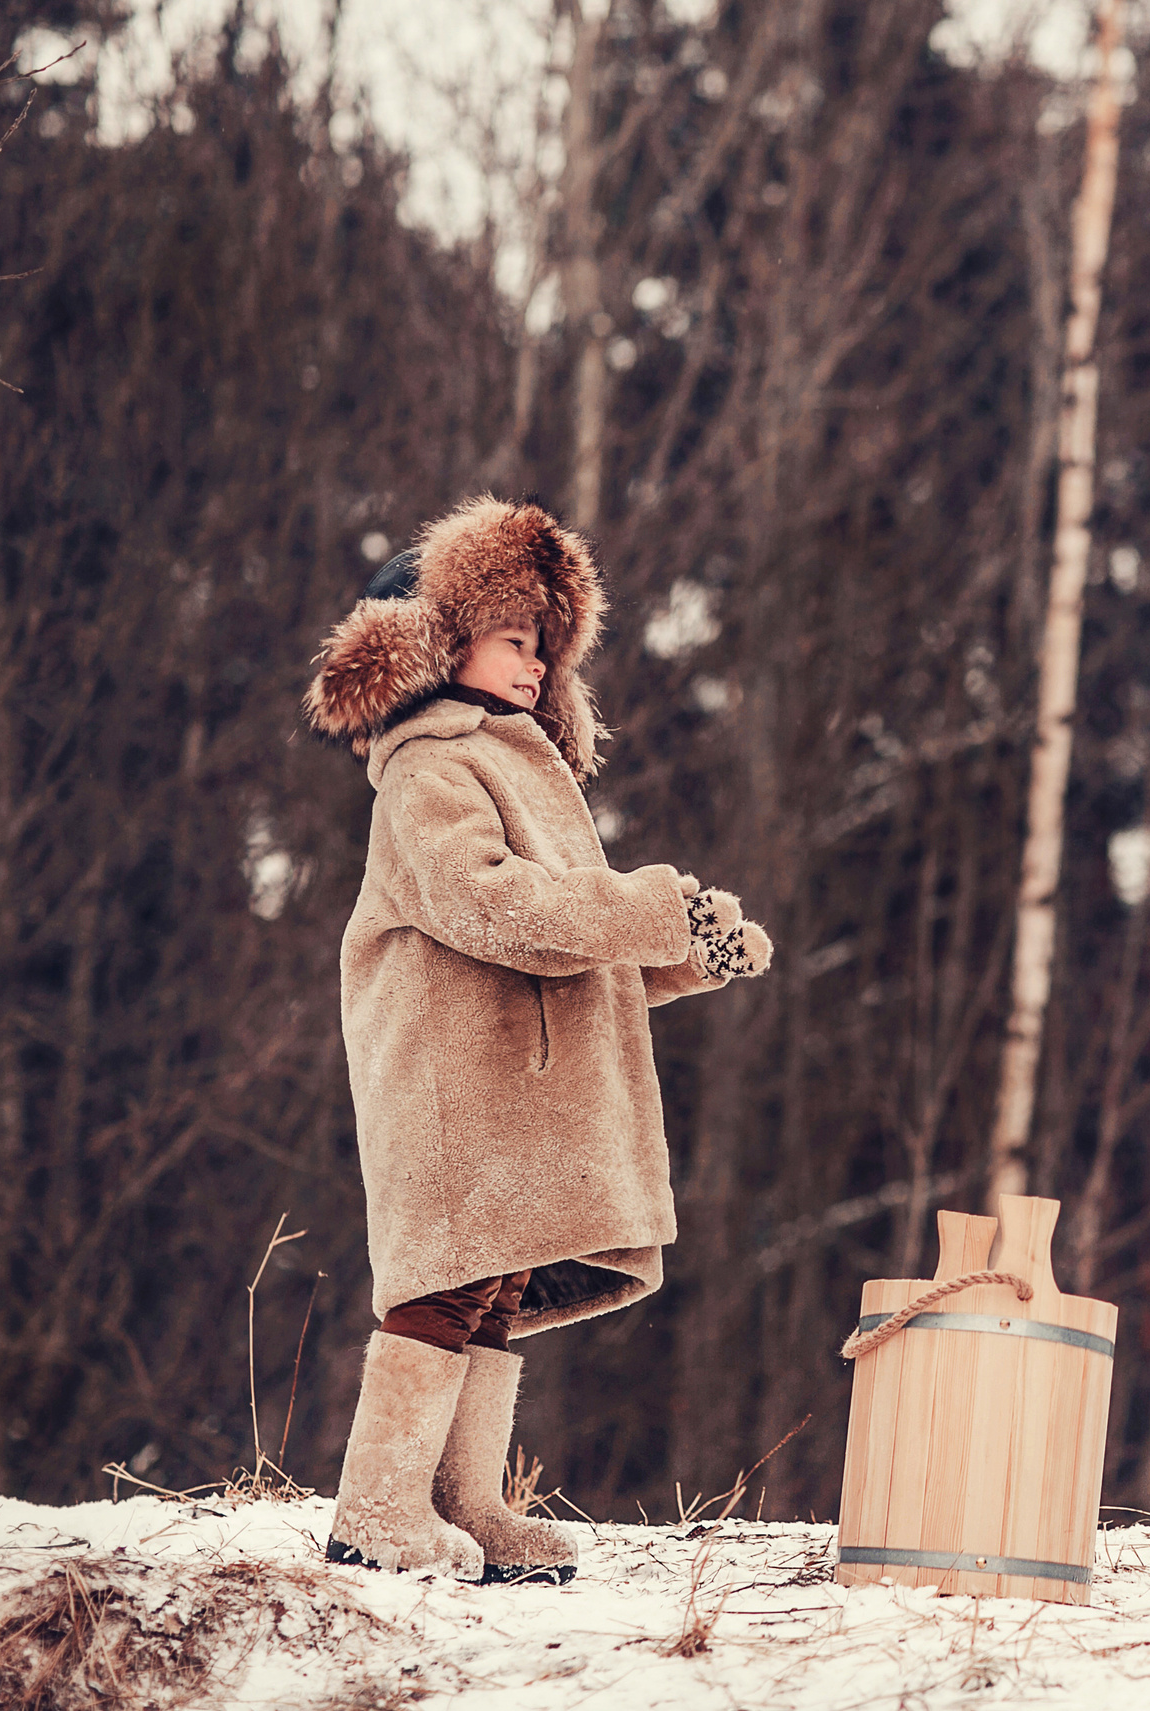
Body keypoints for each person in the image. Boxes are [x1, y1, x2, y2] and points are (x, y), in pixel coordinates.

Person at [302, 495, 773, 1584]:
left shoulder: (520, 760)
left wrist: (690, 951)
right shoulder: (429, 766)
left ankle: (461, 1503)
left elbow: (573, 940)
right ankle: (376, 1510)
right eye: (518, 639)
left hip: (516, 1084)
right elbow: (491, 905)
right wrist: (651, 905)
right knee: (444, 1282)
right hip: (451, 1085)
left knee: (494, 1288)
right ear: (440, 637)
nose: (536, 664)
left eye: (546, 647)